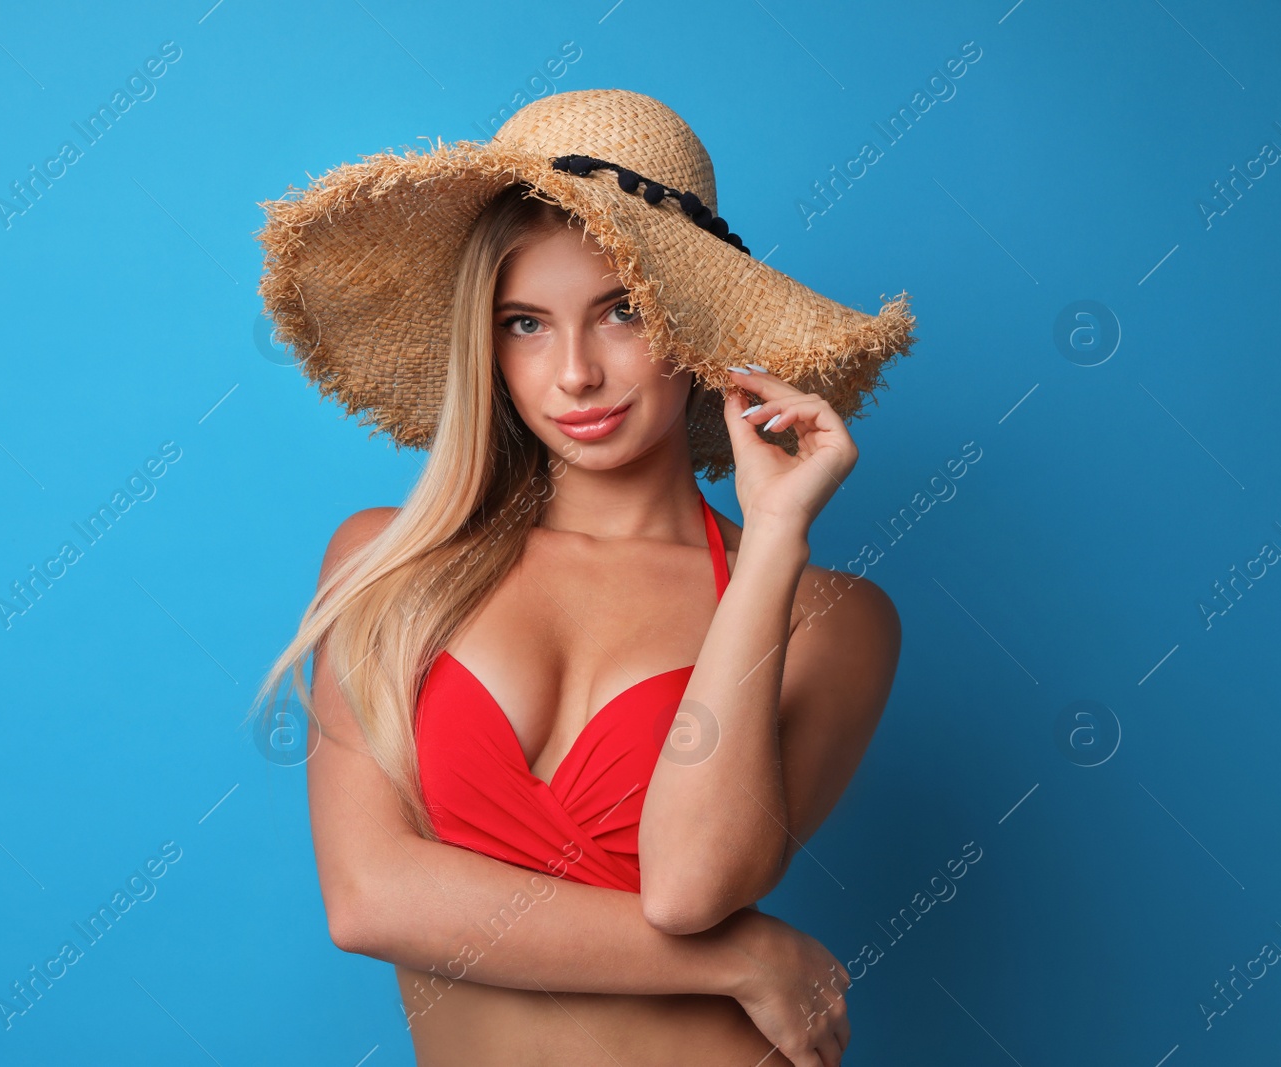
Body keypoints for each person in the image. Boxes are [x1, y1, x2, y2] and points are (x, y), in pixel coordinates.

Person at [251, 89, 916, 1066]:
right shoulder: (385, 562)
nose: (574, 373)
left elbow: (688, 887)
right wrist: (741, 958)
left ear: (688, 325)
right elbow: (370, 896)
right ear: (488, 344)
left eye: (618, 313)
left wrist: (772, 542)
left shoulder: (827, 617)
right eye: (525, 323)